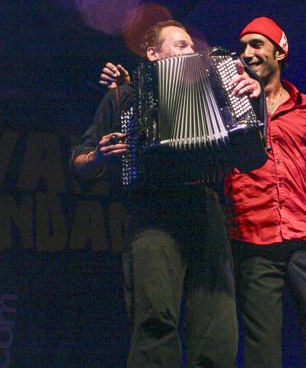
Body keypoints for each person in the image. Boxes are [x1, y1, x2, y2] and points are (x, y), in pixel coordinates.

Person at [71, 19, 261, 367]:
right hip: (152, 210)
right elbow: (79, 162)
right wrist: (98, 155)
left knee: (217, 323)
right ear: (153, 52)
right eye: (179, 45)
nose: (190, 51)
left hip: (204, 205)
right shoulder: (125, 95)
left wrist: (252, 95)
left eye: (191, 45)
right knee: (155, 316)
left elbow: (249, 148)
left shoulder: (217, 83)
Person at [224, 16, 306, 367]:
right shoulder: (225, 110)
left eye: (257, 44)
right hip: (251, 239)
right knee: (261, 354)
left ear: (280, 52)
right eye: (242, 47)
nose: (247, 53)